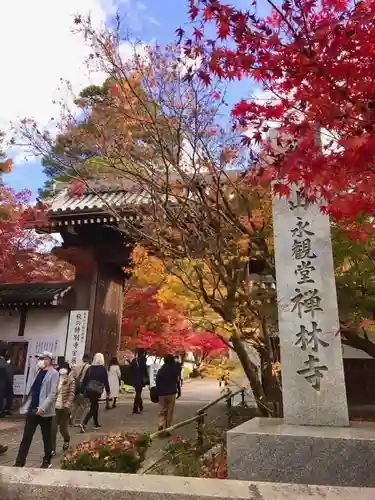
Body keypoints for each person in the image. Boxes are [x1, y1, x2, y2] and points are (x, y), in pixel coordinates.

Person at [14, 351, 59, 469]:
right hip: (32, 409)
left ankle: (47, 460)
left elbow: (52, 393)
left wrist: (43, 407)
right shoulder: (38, 371)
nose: (40, 360)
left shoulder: (54, 374)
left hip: (44, 411)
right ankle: (19, 461)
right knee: (27, 436)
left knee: (46, 437)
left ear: (49, 360)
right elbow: (33, 390)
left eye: (42, 358)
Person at [79, 353, 110, 433]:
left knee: (94, 405)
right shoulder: (102, 369)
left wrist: (82, 391)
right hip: (97, 390)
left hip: (89, 389)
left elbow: (85, 380)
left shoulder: (90, 368)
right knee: (94, 407)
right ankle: (84, 423)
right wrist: (108, 391)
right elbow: (105, 381)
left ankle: (96, 423)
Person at [51, 362, 76, 454]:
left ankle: (66, 439)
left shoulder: (71, 380)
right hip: (54, 407)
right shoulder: (55, 379)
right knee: (52, 429)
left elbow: (72, 393)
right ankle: (52, 449)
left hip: (64, 408)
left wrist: (68, 404)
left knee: (63, 429)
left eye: (64, 368)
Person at [156, 355, 181, 431]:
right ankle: (167, 428)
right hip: (172, 392)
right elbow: (177, 380)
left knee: (162, 409)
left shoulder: (161, 369)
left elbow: (157, 380)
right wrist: (179, 390)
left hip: (162, 393)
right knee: (170, 411)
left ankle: (161, 424)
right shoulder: (174, 369)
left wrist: (158, 390)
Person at [71, 354, 91, 426]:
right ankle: (77, 421)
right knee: (83, 405)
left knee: (75, 404)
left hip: (75, 387)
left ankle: (71, 417)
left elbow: (71, 376)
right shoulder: (89, 367)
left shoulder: (76, 366)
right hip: (83, 388)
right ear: (89, 359)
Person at [130, 349, 149, 414]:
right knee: (138, 394)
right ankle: (135, 408)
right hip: (140, 380)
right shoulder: (143, 361)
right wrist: (147, 379)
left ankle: (140, 405)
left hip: (134, 379)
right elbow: (145, 371)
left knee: (138, 393)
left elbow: (131, 369)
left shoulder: (134, 360)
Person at [0, 345, 11, 418]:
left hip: (4, 382)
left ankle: (3, 410)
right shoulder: (3, 363)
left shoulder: (4, 361)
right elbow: (5, 367)